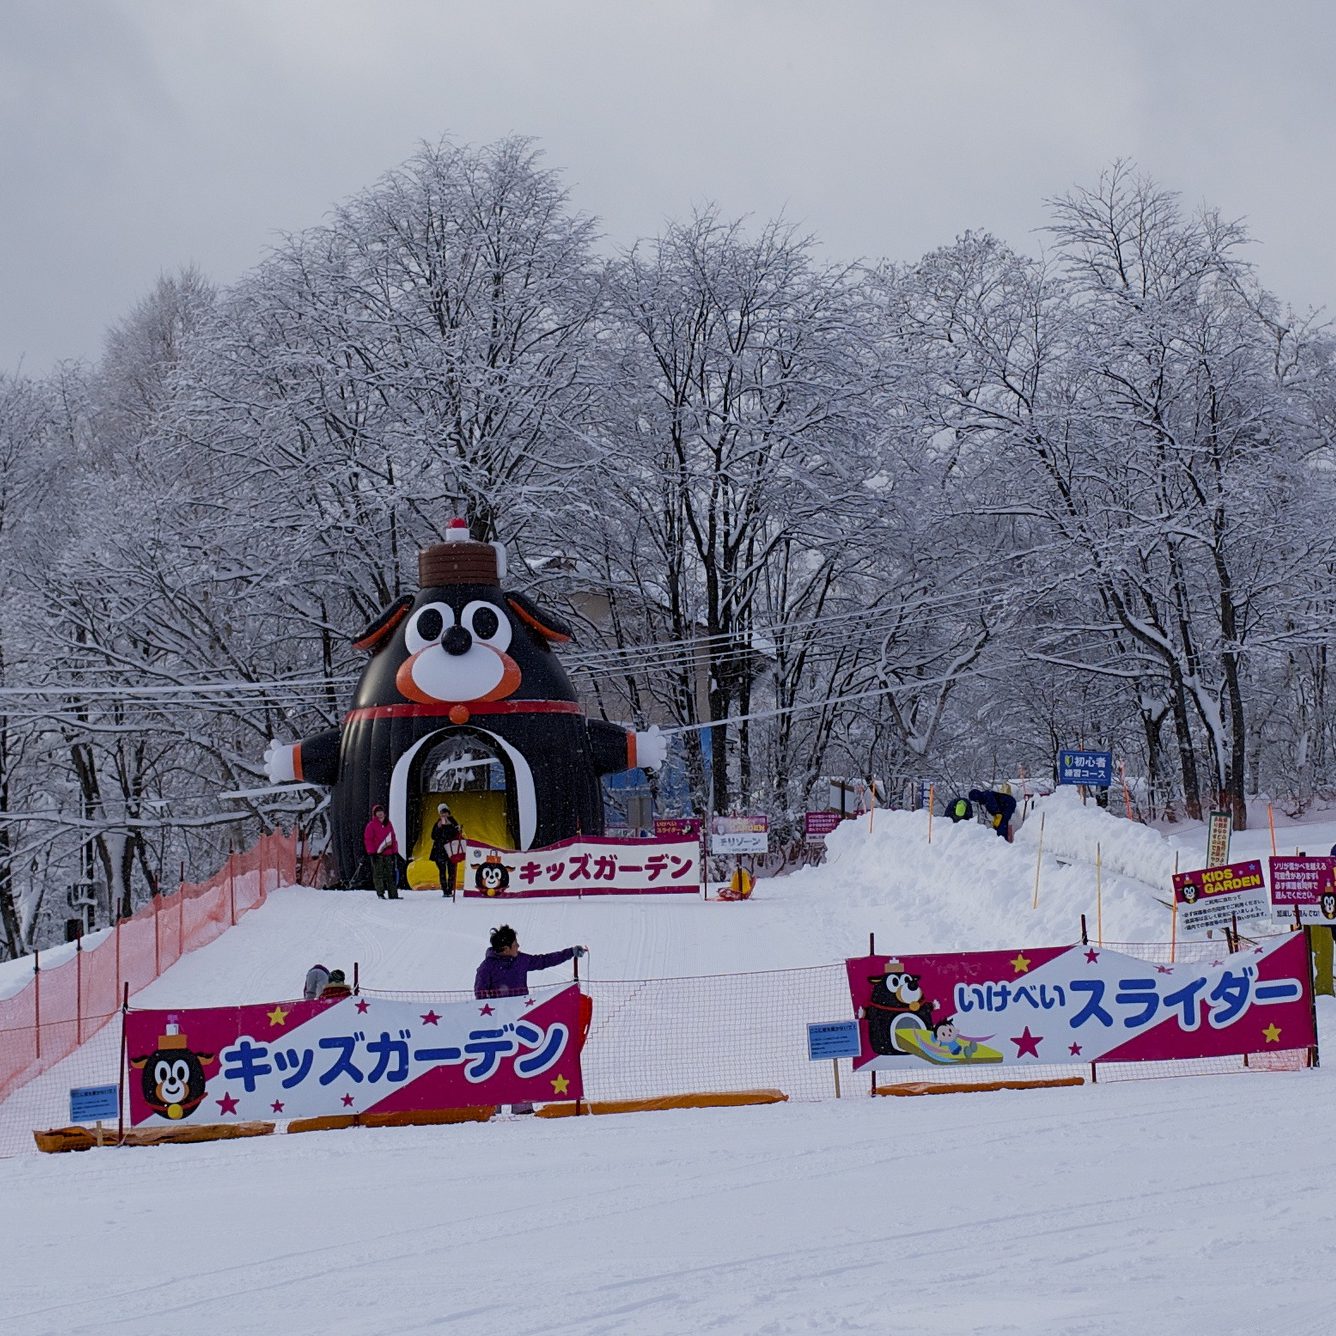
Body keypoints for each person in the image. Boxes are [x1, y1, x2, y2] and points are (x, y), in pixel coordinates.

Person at [474, 925, 587, 1115]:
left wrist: (570, 953)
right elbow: (479, 995)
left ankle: (522, 1105)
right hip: (496, 1027)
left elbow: (544, 960)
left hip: (520, 1024)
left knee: (520, 1063)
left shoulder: (520, 960)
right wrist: (495, 1013)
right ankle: (493, 1108)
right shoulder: (487, 968)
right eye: (515, 944)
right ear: (506, 947)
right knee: (496, 1066)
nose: (518, 946)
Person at [363, 804, 399, 899]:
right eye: (378, 812)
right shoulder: (371, 825)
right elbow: (368, 839)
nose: (380, 814)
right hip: (377, 854)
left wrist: (395, 851)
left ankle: (393, 894)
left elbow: (393, 837)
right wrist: (371, 852)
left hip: (388, 853)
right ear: (375, 814)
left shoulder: (388, 824)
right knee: (378, 874)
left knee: (390, 874)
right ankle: (380, 893)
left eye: (381, 812)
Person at [430, 803, 465, 900]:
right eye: (442, 813)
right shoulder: (438, 823)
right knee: (442, 870)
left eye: (445, 813)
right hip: (440, 849)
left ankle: (450, 889)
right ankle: (445, 890)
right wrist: (438, 827)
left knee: (451, 870)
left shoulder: (453, 822)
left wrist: (451, 826)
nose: (444, 815)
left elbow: (457, 834)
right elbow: (433, 836)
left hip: (451, 850)